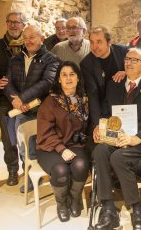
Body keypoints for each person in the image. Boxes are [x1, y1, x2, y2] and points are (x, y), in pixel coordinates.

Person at [92, 48, 141, 230]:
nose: (129, 62)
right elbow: (106, 112)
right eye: (127, 59)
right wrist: (99, 125)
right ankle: (108, 209)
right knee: (99, 150)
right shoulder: (114, 84)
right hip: (115, 137)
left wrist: (136, 138)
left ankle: (137, 210)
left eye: (135, 60)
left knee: (118, 157)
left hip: (137, 142)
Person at [4, 24, 59, 192]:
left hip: (40, 110)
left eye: (32, 37)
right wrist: (15, 100)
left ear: (41, 39)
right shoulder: (15, 59)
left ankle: (42, 175)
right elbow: (8, 82)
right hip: (20, 110)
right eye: (25, 38)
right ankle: (29, 176)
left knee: (38, 146)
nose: (28, 41)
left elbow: (46, 82)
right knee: (23, 148)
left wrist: (22, 98)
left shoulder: (51, 59)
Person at [36, 61, 90, 222]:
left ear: (78, 78)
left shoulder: (84, 100)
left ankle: (74, 198)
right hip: (50, 147)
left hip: (75, 145)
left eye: (72, 74)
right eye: (64, 75)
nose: (68, 78)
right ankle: (61, 203)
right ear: (58, 79)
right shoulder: (50, 101)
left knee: (80, 166)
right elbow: (44, 132)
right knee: (60, 170)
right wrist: (61, 148)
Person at [0, 10, 26, 186]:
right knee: (9, 139)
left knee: (26, 135)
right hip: (4, 100)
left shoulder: (29, 44)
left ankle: (29, 168)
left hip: (26, 100)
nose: (13, 25)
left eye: (17, 22)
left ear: (23, 25)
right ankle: (12, 170)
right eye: (10, 22)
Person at [80, 25, 128, 136]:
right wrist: (97, 123)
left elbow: (139, 71)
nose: (94, 47)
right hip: (104, 108)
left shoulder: (124, 52)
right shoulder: (86, 64)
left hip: (126, 105)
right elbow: (93, 94)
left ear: (109, 42)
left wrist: (127, 72)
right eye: (92, 42)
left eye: (99, 42)